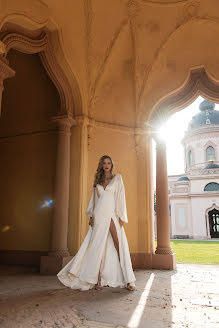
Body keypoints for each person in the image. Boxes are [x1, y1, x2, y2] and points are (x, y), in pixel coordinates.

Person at [57, 155, 136, 291]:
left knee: (119, 245)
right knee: (96, 247)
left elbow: (120, 197)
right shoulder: (98, 180)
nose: (106, 165)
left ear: (112, 165)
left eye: (109, 163)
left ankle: (128, 280)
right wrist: (91, 216)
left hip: (112, 214)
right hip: (99, 215)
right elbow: (94, 200)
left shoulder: (117, 178)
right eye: (104, 163)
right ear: (101, 165)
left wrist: (121, 216)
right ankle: (96, 280)